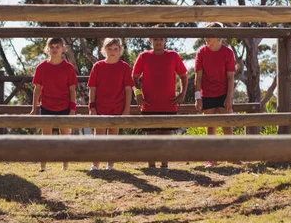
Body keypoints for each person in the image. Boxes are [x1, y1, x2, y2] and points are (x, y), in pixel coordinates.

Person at [132, 25, 188, 169]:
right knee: (151, 136)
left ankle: (164, 165)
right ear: (150, 40)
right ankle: (151, 166)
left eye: (161, 39)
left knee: (166, 135)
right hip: (149, 104)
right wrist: (138, 95)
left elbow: (183, 76)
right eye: (155, 38)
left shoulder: (173, 56)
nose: (158, 41)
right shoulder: (143, 56)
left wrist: (182, 93)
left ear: (165, 40)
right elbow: (134, 77)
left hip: (169, 104)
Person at [30, 38, 78, 172]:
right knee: (46, 137)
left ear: (63, 49)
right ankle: (43, 166)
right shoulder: (41, 67)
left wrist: (72, 109)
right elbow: (37, 89)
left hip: (65, 107)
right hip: (46, 106)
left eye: (58, 46)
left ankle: (65, 165)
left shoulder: (68, 67)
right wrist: (34, 108)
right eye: (52, 47)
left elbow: (72, 90)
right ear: (48, 49)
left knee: (65, 137)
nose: (55, 49)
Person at [194, 22, 236, 168]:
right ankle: (212, 159)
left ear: (218, 36)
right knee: (210, 127)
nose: (206, 38)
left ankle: (231, 156)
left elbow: (231, 77)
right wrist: (198, 97)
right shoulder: (201, 53)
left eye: (210, 34)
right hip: (207, 94)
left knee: (227, 125)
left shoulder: (228, 53)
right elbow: (198, 78)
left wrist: (229, 97)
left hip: (224, 93)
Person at [88, 38, 134, 171]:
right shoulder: (97, 66)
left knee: (113, 137)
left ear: (120, 50)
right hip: (100, 108)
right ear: (104, 50)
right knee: (99, 137)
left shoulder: (124, 67)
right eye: (109, 48)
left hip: (118, 108)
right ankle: (95, 165)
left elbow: (128, 89)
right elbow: (92, 88)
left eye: (115, 48)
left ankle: (110, 165)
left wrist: (126, 110)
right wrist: (92, 107)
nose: (112, 51)